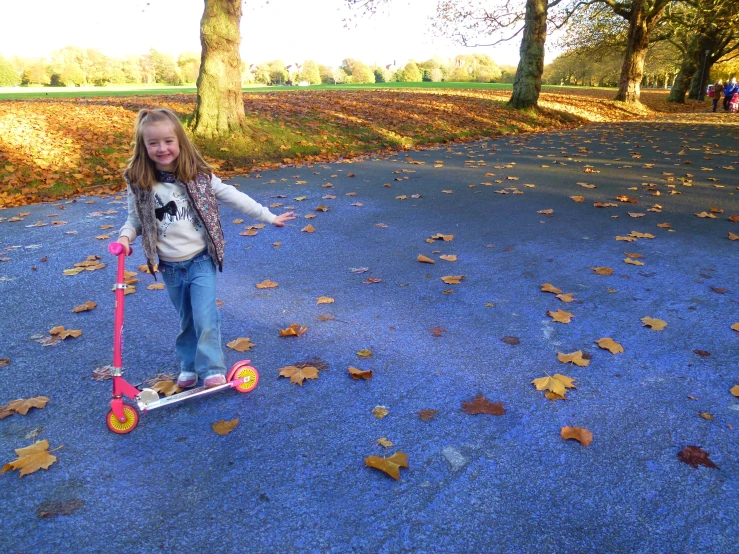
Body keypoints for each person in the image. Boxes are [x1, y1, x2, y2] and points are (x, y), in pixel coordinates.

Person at [117, 108, 295, 389]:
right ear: (144, 146)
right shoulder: (139, 181)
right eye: (153, 143)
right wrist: (126, 237)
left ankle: (212, 367)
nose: (162, 148)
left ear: (180, 141)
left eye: (168, 141)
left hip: (200, 260)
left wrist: (267, 215)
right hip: (169, 266)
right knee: (187, 320)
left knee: (205, 316)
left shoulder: (197, 175)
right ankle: (189, 366)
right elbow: (134, 218)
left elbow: (231, 195)